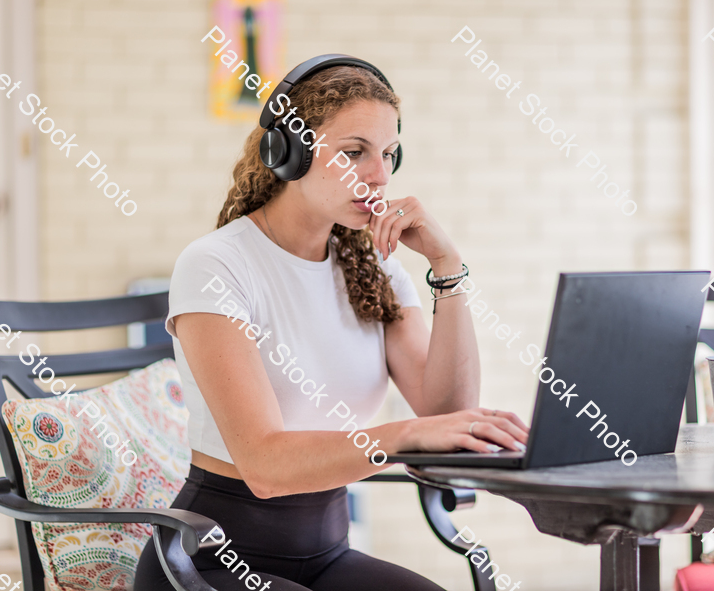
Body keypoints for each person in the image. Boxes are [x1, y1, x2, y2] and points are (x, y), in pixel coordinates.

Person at [134, 56, 529, 591]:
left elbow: (446, 418)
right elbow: (265, 466)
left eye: (388, 154)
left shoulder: (375, 264)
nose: (380, 175)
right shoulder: (216, 265)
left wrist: (447, 268)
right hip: (209, 563)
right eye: (353, 153)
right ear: (289, 154)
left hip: (327, 557)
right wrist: (407, 433)